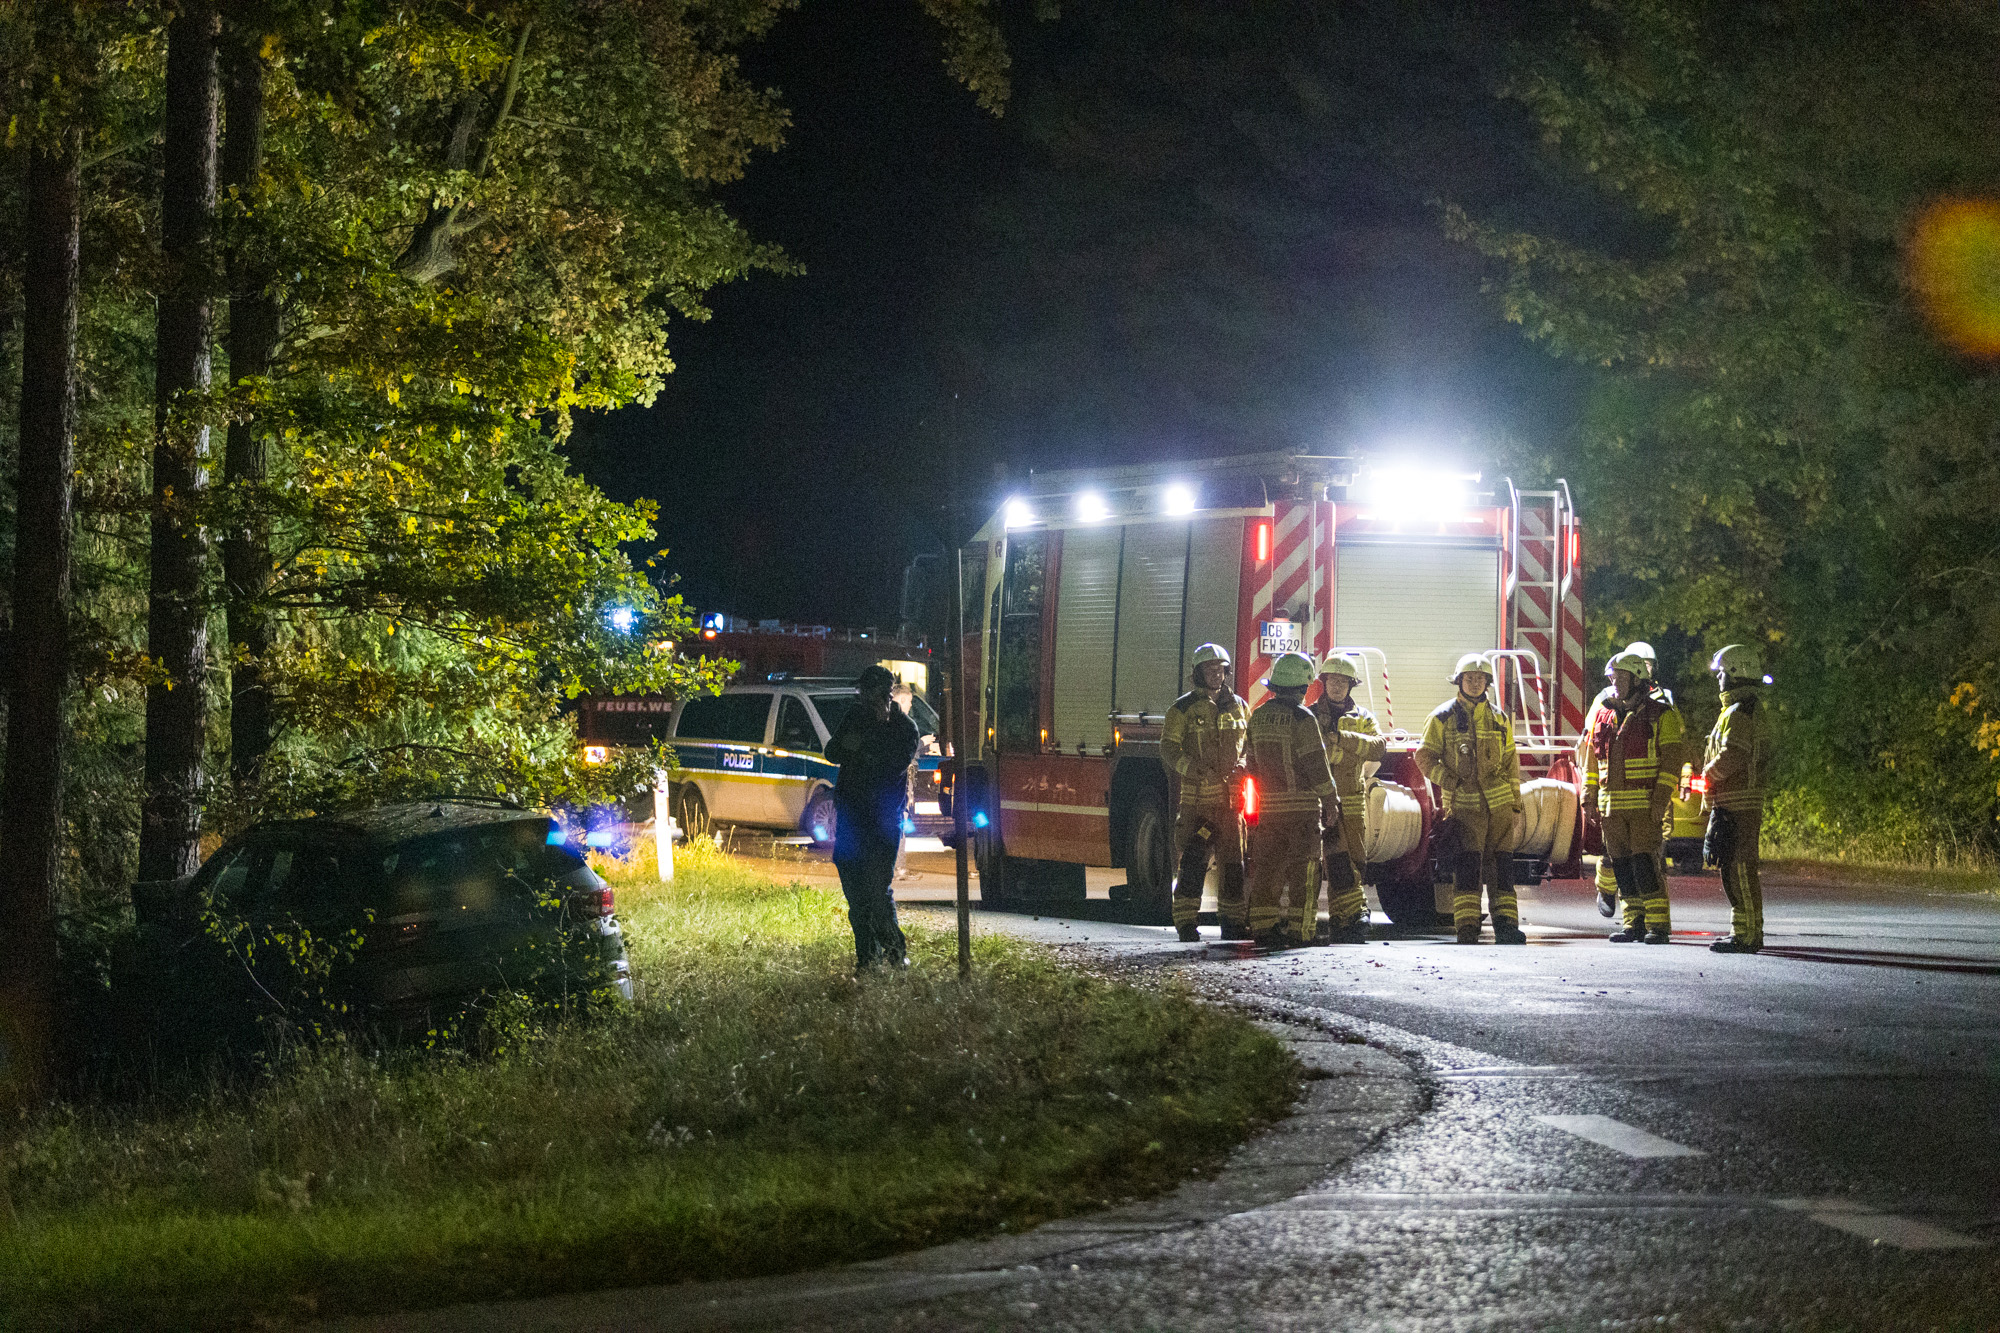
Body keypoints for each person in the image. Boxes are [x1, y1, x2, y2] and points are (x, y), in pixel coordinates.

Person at [1419, 652, 1526, 945]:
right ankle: (1466, 926)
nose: (1475, 683)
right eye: (1470, 678)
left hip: (1500, 806)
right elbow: (1424, 757)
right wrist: (1451, 782)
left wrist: (1514, 801)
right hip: (1465, 808)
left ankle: (1506, 924)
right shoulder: (1442, 717)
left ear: (1488, 682)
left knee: (1502, 867)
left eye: (1480, 679)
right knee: (1468, 867)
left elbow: (1510, 761)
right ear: (1459, 681)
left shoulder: (1499, 717)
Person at [1582, 650, 1687, 944]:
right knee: (1623, 867)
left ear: (1638, 679)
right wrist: (1588, 798)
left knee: (1645, 865)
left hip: (1644, 808)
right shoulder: (1602, 714)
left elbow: (1671, 762)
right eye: (1612, 677)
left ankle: (1658, 925)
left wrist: (1659, 801)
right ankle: (1633, 924)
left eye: (1621, 677)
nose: (1614, 683)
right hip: (1611, 809)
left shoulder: (1660, 715)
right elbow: (1592, 761)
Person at [824, 665, 921, 971]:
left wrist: (862, 744)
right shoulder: (855, 717)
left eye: (868, 693)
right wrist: (855, 744)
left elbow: (885, 768)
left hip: (883, 825)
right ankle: (867, 960)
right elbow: (832, 751)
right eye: (861, 693)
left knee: (877, 893)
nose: (862, 698)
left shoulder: (905, 730)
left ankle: (895, 954)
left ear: (884, 695)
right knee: (856, 896)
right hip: (851, 819)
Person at [1246, 651, 1338, 950]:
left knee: (1268, 869)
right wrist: (1331, 800)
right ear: (1302, 685)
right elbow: (1315, 764)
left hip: (1269, 809)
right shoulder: (1303, 718)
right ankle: (1301, 930)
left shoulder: (1258, 716)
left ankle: (1263, 926)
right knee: (1305, 871)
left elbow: (1250, 765)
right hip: (1301, 810)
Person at [1160, 642, 1250, 942]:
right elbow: (1169, 749)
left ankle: (1233, 922)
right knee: (1193, 863)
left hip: (1231, 803)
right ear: (1198, 673)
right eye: (1210, 670)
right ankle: (1186, 922)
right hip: (1198, 803)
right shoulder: (1182, 709)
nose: (1216, 675)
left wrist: (1243, 766)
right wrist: (1194, 770)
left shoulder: (1238, 705)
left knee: (1234, 865)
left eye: (1221, 670)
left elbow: (1248, 746)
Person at [1702, 644, 1774, 954]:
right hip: (1732, 800)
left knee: (1740, 867)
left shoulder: (1741, 712)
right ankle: (1742, 931)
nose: (1718, 678)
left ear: (1735, 674)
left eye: (1721, 672)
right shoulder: (1736, 710)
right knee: (1731, 866)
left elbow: (1734, 753)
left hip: (1740, 802)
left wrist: (1707, 775)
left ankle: (1748, 936)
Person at [1310, 653, 1386, 943]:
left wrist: (1345, 740)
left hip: (1352, 802)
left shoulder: (1363, 717)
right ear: (1324, 682)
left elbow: (1379, 748)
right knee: (1317, 863)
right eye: (1333, 681)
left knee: (1353, 861)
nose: (1338, 687)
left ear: (1351, 685)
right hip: (1317, 800)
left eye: (1343, 682)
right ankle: (1320, 919)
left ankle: (1346, 921)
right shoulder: (1310, 715)